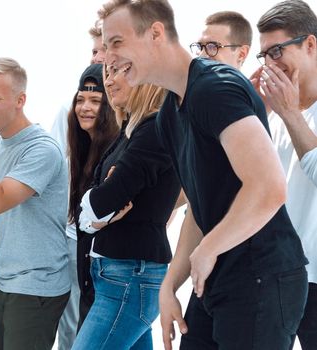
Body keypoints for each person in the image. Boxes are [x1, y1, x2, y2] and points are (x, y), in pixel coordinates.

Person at [97, 0, 309, 348]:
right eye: (106, 47)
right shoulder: (169, 113)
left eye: (116, 43)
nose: (108, 58)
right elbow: (201, 204)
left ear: (155, 33)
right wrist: (169, 285)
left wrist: (209, 248)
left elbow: (270, 188)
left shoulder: (217, 88)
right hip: (215, 276)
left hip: (262, 276)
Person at [0, 57, 70, 350]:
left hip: (35, 286)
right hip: (5, 280)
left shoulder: (42, 150)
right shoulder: (4, 142)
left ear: (20, 100)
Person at [71, 64, 178, 349]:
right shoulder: (132, 129)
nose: (109, 79)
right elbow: (96, 203)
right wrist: (95, 205)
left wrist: (94, 206)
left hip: (131, 276)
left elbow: (102, 201)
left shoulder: (153, 130)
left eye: (119, 71)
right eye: (108, 71)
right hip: (122, 275)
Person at [253, 1, 317, 347]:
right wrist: (252, 111)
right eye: (264, 56)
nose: (270, 65)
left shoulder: (286, 112)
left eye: (277, 51)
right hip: (275, 278)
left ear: (310, 44)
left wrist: (291, 114)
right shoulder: (273, 114)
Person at [51, 23, 110, 350]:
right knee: (74, 329)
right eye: (94, 51)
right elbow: (57, 176)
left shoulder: (136, 118)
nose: (100, 57)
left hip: (117, 253)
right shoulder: (70, 112)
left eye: (106, 50)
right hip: (75, 240)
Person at [62, 64, 120, 347]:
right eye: (80, 100)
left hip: (110, 270)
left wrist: (94, 219)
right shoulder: (80, 148)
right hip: (81, 260)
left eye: (96, 101)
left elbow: (109, 210)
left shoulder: (118, 148)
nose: (84, 107)